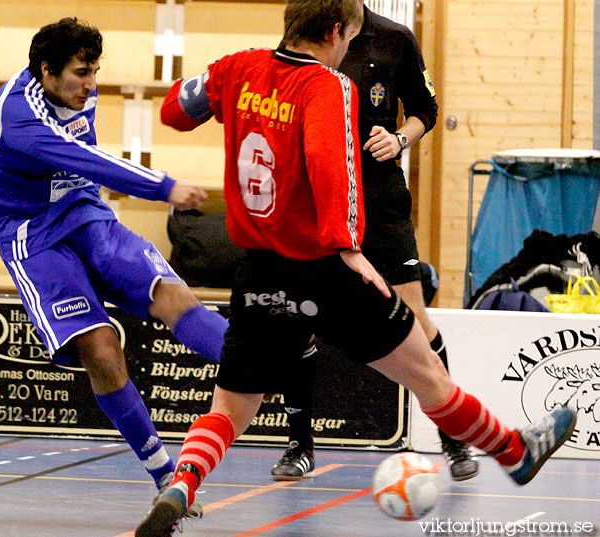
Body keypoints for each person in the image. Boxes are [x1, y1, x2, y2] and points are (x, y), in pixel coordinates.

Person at [135, 1, 576, 535]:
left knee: (229, 409)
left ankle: (182, 485)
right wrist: (349, 248)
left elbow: (175, 113)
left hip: (258, 272)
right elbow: (331, 165)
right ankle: (513, 452)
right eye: (347, 40)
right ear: (336, 30)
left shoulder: (239, 67)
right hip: (324, 269)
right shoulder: (327, 84)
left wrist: (211, 86)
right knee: (428, 375)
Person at [0, 18, 228, 509]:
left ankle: (267, 361)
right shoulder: (18, 113)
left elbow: (85, 161)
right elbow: (84, 157)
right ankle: (163, 474)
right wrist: (165, 187)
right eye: (80, 73)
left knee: (174, 297)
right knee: (101, 349)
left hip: (86, 213)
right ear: (46, 72)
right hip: (33, 237)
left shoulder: (78, 91)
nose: (91, 85)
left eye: (95, 71)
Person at [271, 3, 478, 483]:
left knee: (416, 317)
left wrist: (399, 139)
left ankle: (452, 436)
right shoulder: (309, 32)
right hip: (318, 197)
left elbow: (426, 109)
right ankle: (299, 444)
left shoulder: (395, 38)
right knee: (302, 319)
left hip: (380, 200)